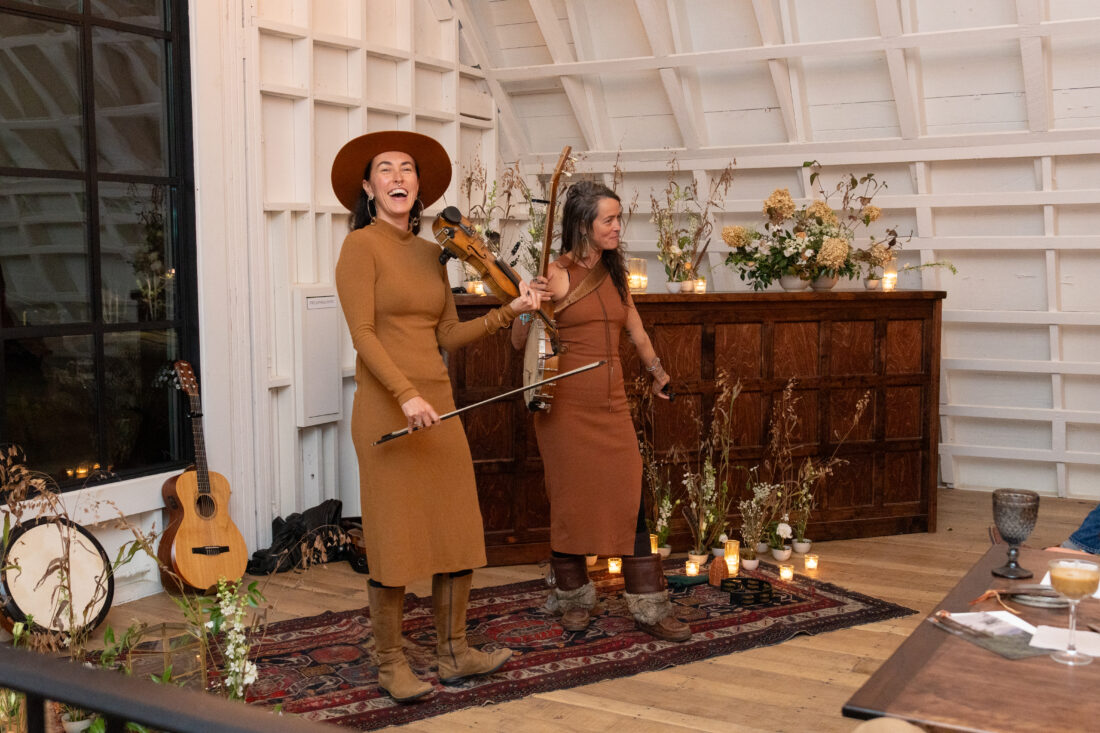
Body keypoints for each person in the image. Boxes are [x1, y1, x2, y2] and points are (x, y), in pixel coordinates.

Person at [331, 131, 545, 702]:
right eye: (386, 170)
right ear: (368, 187)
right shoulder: (360, 247)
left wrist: (510, 311)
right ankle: (391, 663)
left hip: (438, 404)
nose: (398, 178)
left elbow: (447, 333)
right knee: (395, 538)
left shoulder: (434, 255)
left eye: (407, 170)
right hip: (387, 407)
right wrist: (405, 395)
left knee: (456, 528)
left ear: (419, 186)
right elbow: (364, 335)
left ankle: (455, 653)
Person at [510, 180, 691, 642]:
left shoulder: (615, 272)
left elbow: (636, 329)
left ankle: (650, 606)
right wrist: (528, 308)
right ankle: (573, 597)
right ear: (582, 226)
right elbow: (518, 341)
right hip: (564, 406)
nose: (617, 227)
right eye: (608, 219)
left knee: (630, 499)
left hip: (612, 404)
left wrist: (657, 371)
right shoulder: (556, 273)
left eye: (617, 218)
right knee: (570, 501)